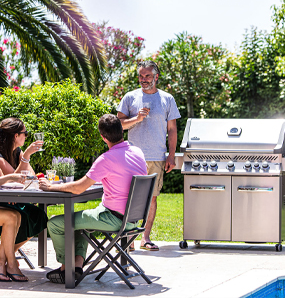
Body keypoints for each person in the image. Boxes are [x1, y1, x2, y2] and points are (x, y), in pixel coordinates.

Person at [39, 114, 147, 284]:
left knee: (55, 223)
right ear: (121, 131)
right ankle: (77, 266)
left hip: (114, 219)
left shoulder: (106, 159)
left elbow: (78, 188)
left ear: (103, 138)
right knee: (78, 220)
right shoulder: (137, 152)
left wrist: (50, 186)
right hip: (133, 219)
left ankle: (65, 270)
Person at [117, 60, 181, 251]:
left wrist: (171, 155)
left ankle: (145, 237)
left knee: (152, 198)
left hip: (156, 156)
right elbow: (119, 125)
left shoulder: (167, 99)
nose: (143, 80)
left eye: (147, 76)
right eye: (141, 76)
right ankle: (127, 239)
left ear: (156, 77)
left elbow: (172, 129)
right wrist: (137, 118)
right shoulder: (130, 97)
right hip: (132, 156)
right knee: (129, 197)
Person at [0, 117, 48, 282]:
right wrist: (26, 156)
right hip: (4, 202)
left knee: (38, 216)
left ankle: (3, 258)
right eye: (24, 133)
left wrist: (24, 156)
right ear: (15, 135)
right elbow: (15, 179)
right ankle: (8, 262)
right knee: (20, 216)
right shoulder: (1, 156)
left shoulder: (17, 152)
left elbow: (30, 177)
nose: (26, 136)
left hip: (13, 200)